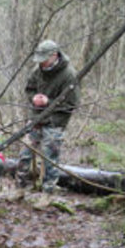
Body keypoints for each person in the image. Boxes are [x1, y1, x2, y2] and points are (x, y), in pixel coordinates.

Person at [16, 40, 80, 193]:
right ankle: (20, 188)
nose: (41, 63)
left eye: (44, 59)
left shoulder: (69, 75)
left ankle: (48, 192)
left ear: (54, 55)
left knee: (50, 158)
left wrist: (48, 102)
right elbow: (29, 89)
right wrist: (33, 99)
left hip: (55, 122)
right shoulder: (36, 70)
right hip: (36, 118)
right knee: (25, 153)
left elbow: (72, 104)